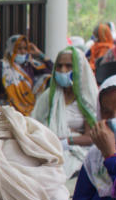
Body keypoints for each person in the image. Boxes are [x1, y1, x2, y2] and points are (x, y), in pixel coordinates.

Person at [32, 46, 98, 178]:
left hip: (73, 149)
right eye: (59, 66)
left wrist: (65, 140)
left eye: (69, 66)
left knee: (56, 170)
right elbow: (34, 123)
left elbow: (91, 137)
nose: (62, 71)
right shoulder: (49, 96)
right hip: (46, 145)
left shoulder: (88, 98)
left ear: (79, 69)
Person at [0, 34, 51, 115]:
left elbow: (52, 70)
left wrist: (39, 53)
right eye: (19, 48)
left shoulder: (30, 65)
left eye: (25, 48)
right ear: (11, 49)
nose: (23, 51)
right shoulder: (3, 65)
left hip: (29, 109)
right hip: (8, 111)